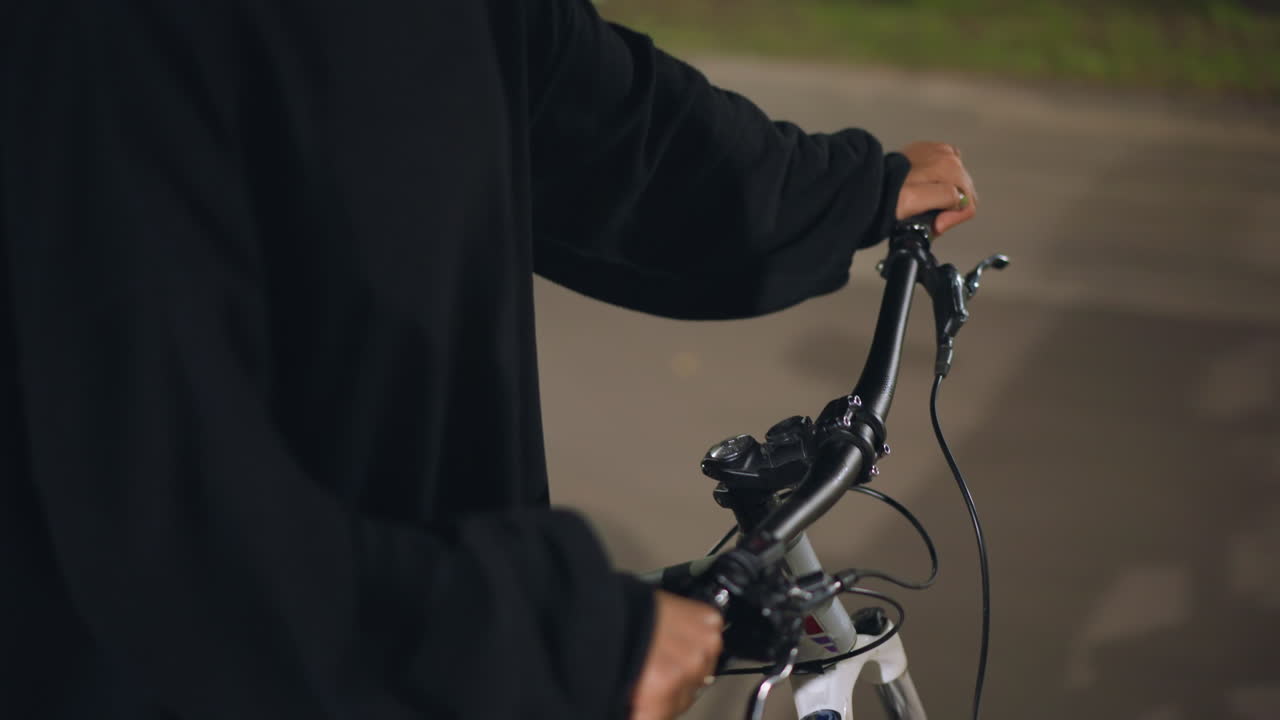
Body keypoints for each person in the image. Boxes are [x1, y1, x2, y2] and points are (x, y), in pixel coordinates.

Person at [0, 1, 977, 718]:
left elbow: (595, 117)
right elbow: (168, 513)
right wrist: (551, 638)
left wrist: (845, 191)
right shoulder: (97, 42)